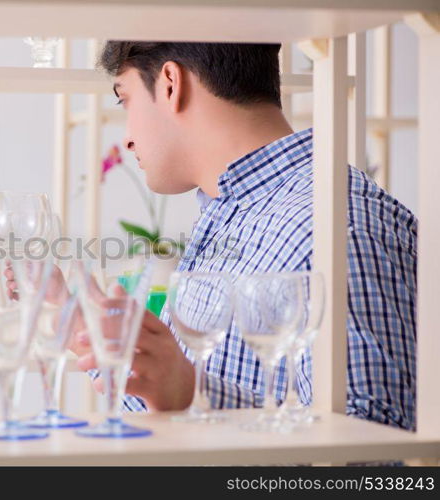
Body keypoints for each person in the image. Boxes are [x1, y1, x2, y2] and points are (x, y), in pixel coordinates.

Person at [68, 41, 417, 431]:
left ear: (170, 84)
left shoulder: (336, 226)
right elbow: (183, 423)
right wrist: (87, 335)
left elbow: (383, 454)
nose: (128, 138)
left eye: (125, 100)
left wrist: (189, 391)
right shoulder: (234, 213)